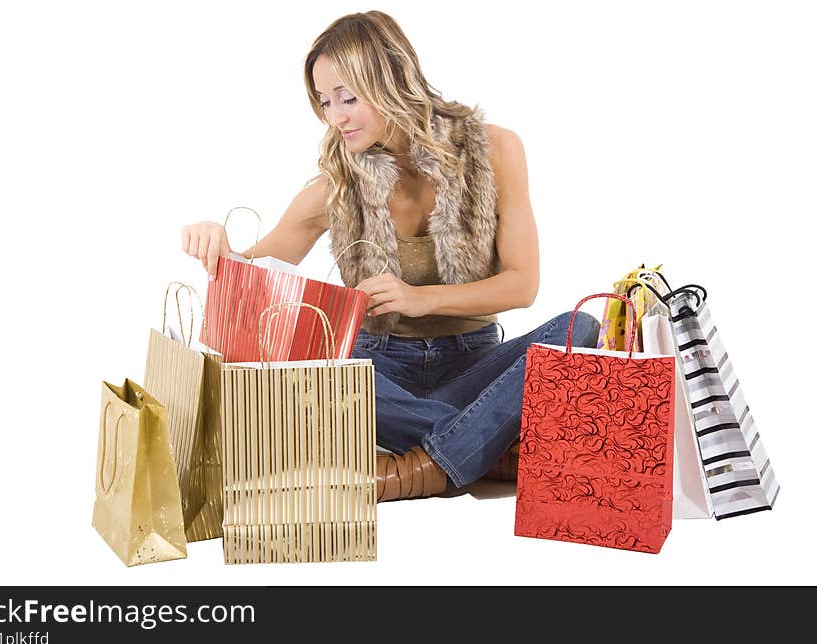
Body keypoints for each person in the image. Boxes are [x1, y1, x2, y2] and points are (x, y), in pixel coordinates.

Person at [181, 10, 600, 502]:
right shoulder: (332, 187)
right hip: (377, 376)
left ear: (393, 81)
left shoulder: (495, 151)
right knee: (309, 371)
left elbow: (522, 284)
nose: (335, 116)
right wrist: (215, 240)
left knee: (582, 328)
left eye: (348, 98)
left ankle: (413, 464)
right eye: (324, 101)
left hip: (471, 366)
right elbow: (253, 275)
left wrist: (420, 298)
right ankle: (480, 443)